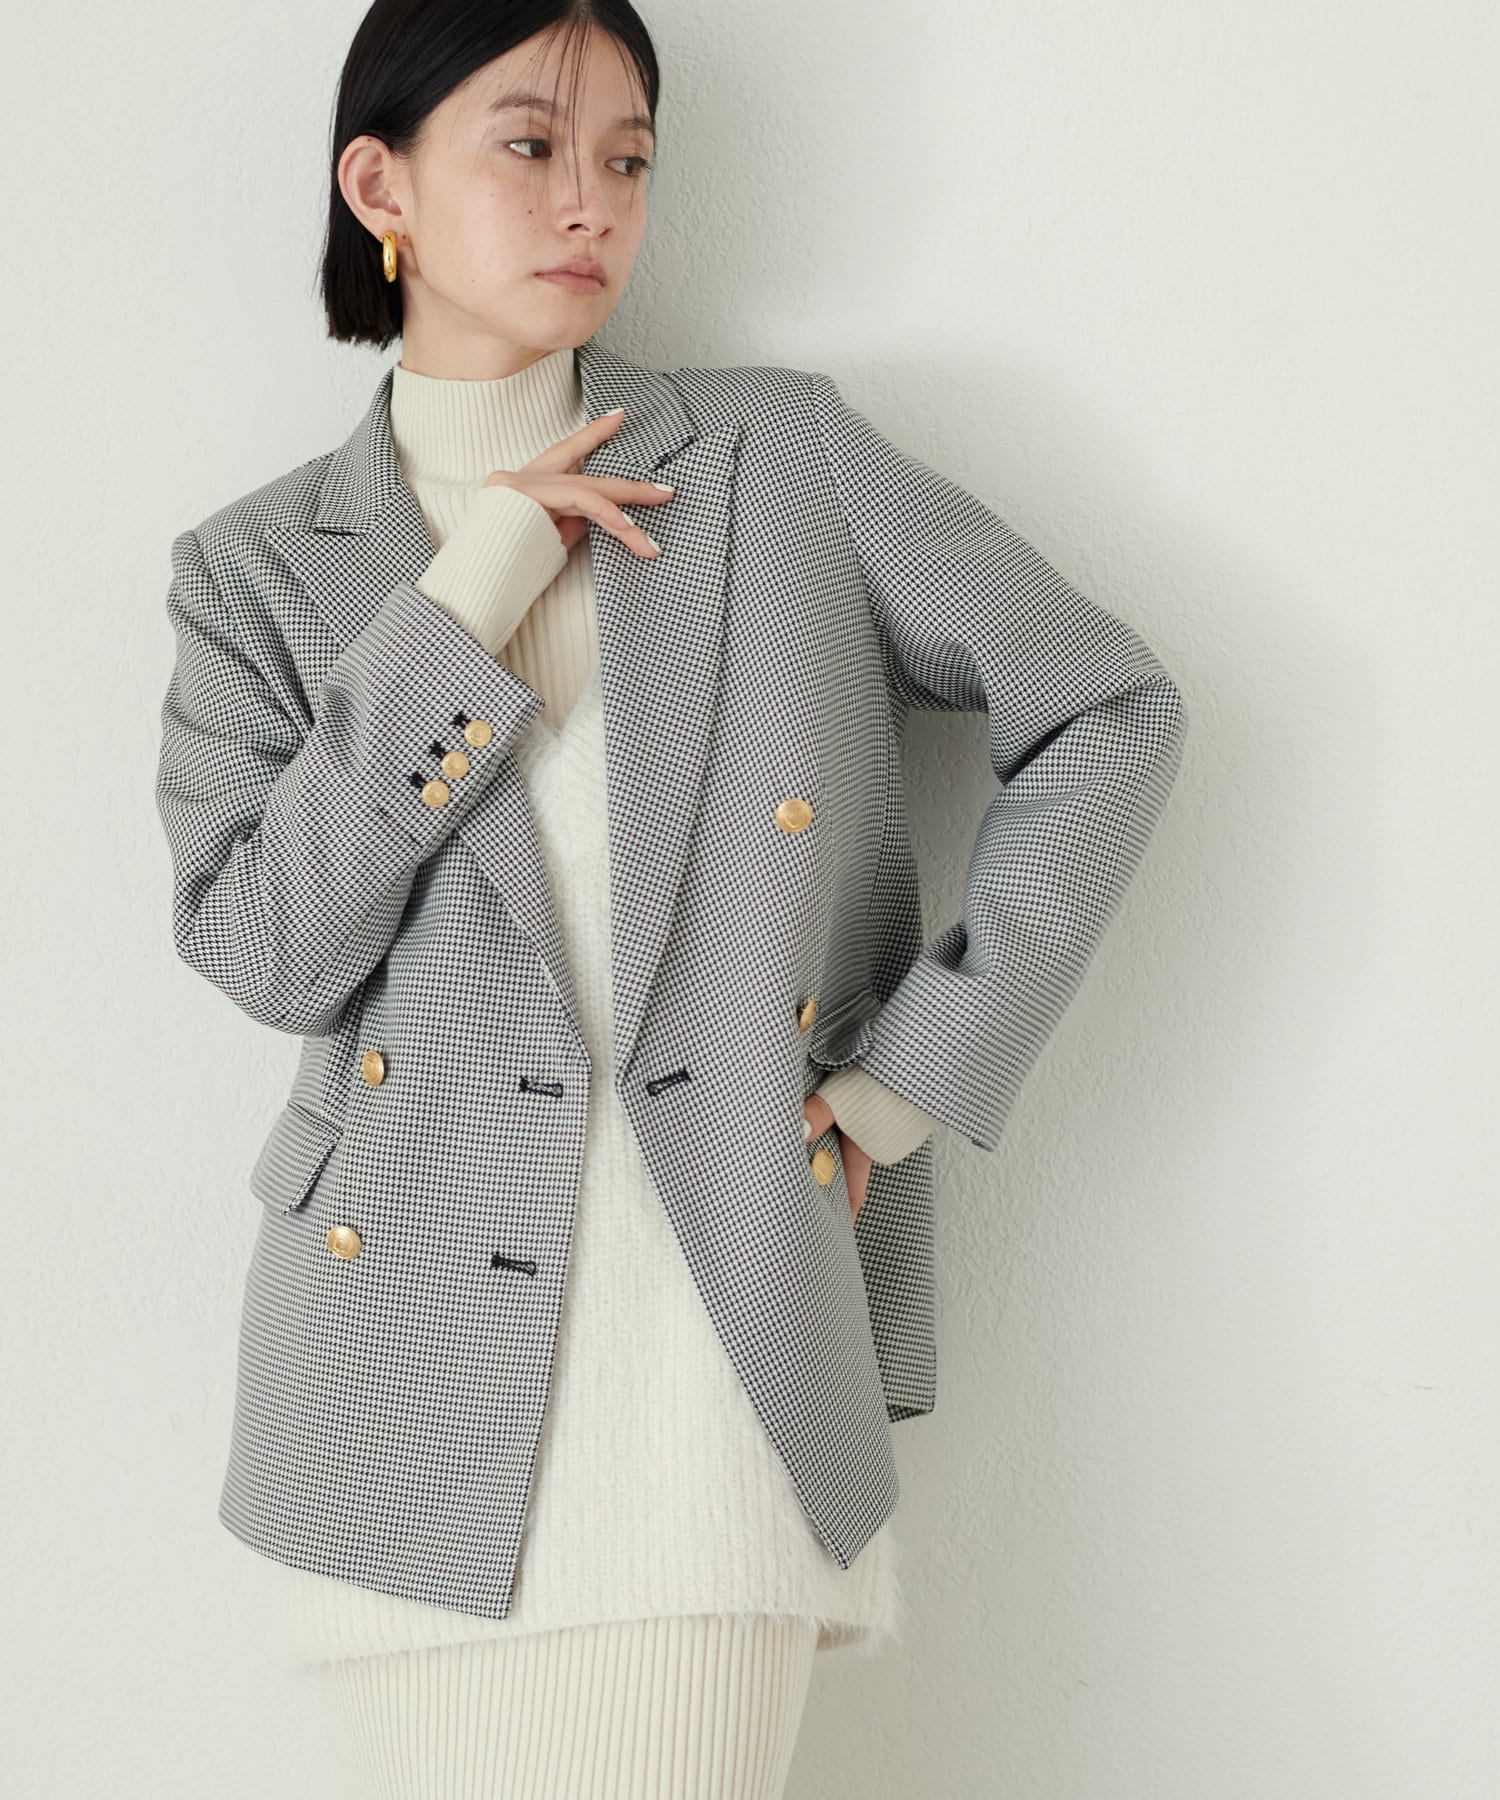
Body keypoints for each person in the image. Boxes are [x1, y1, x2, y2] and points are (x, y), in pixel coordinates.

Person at [153, 3, 1187, 1795]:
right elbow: (268, 950)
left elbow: (1111, 711)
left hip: (714, 1358)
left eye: (628, 157)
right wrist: (474, 586)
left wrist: (910, 1081)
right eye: (530, 144)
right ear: (380, 186)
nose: (593, 201)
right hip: (395, 1395)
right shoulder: (257, 569)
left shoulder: (776, 464)